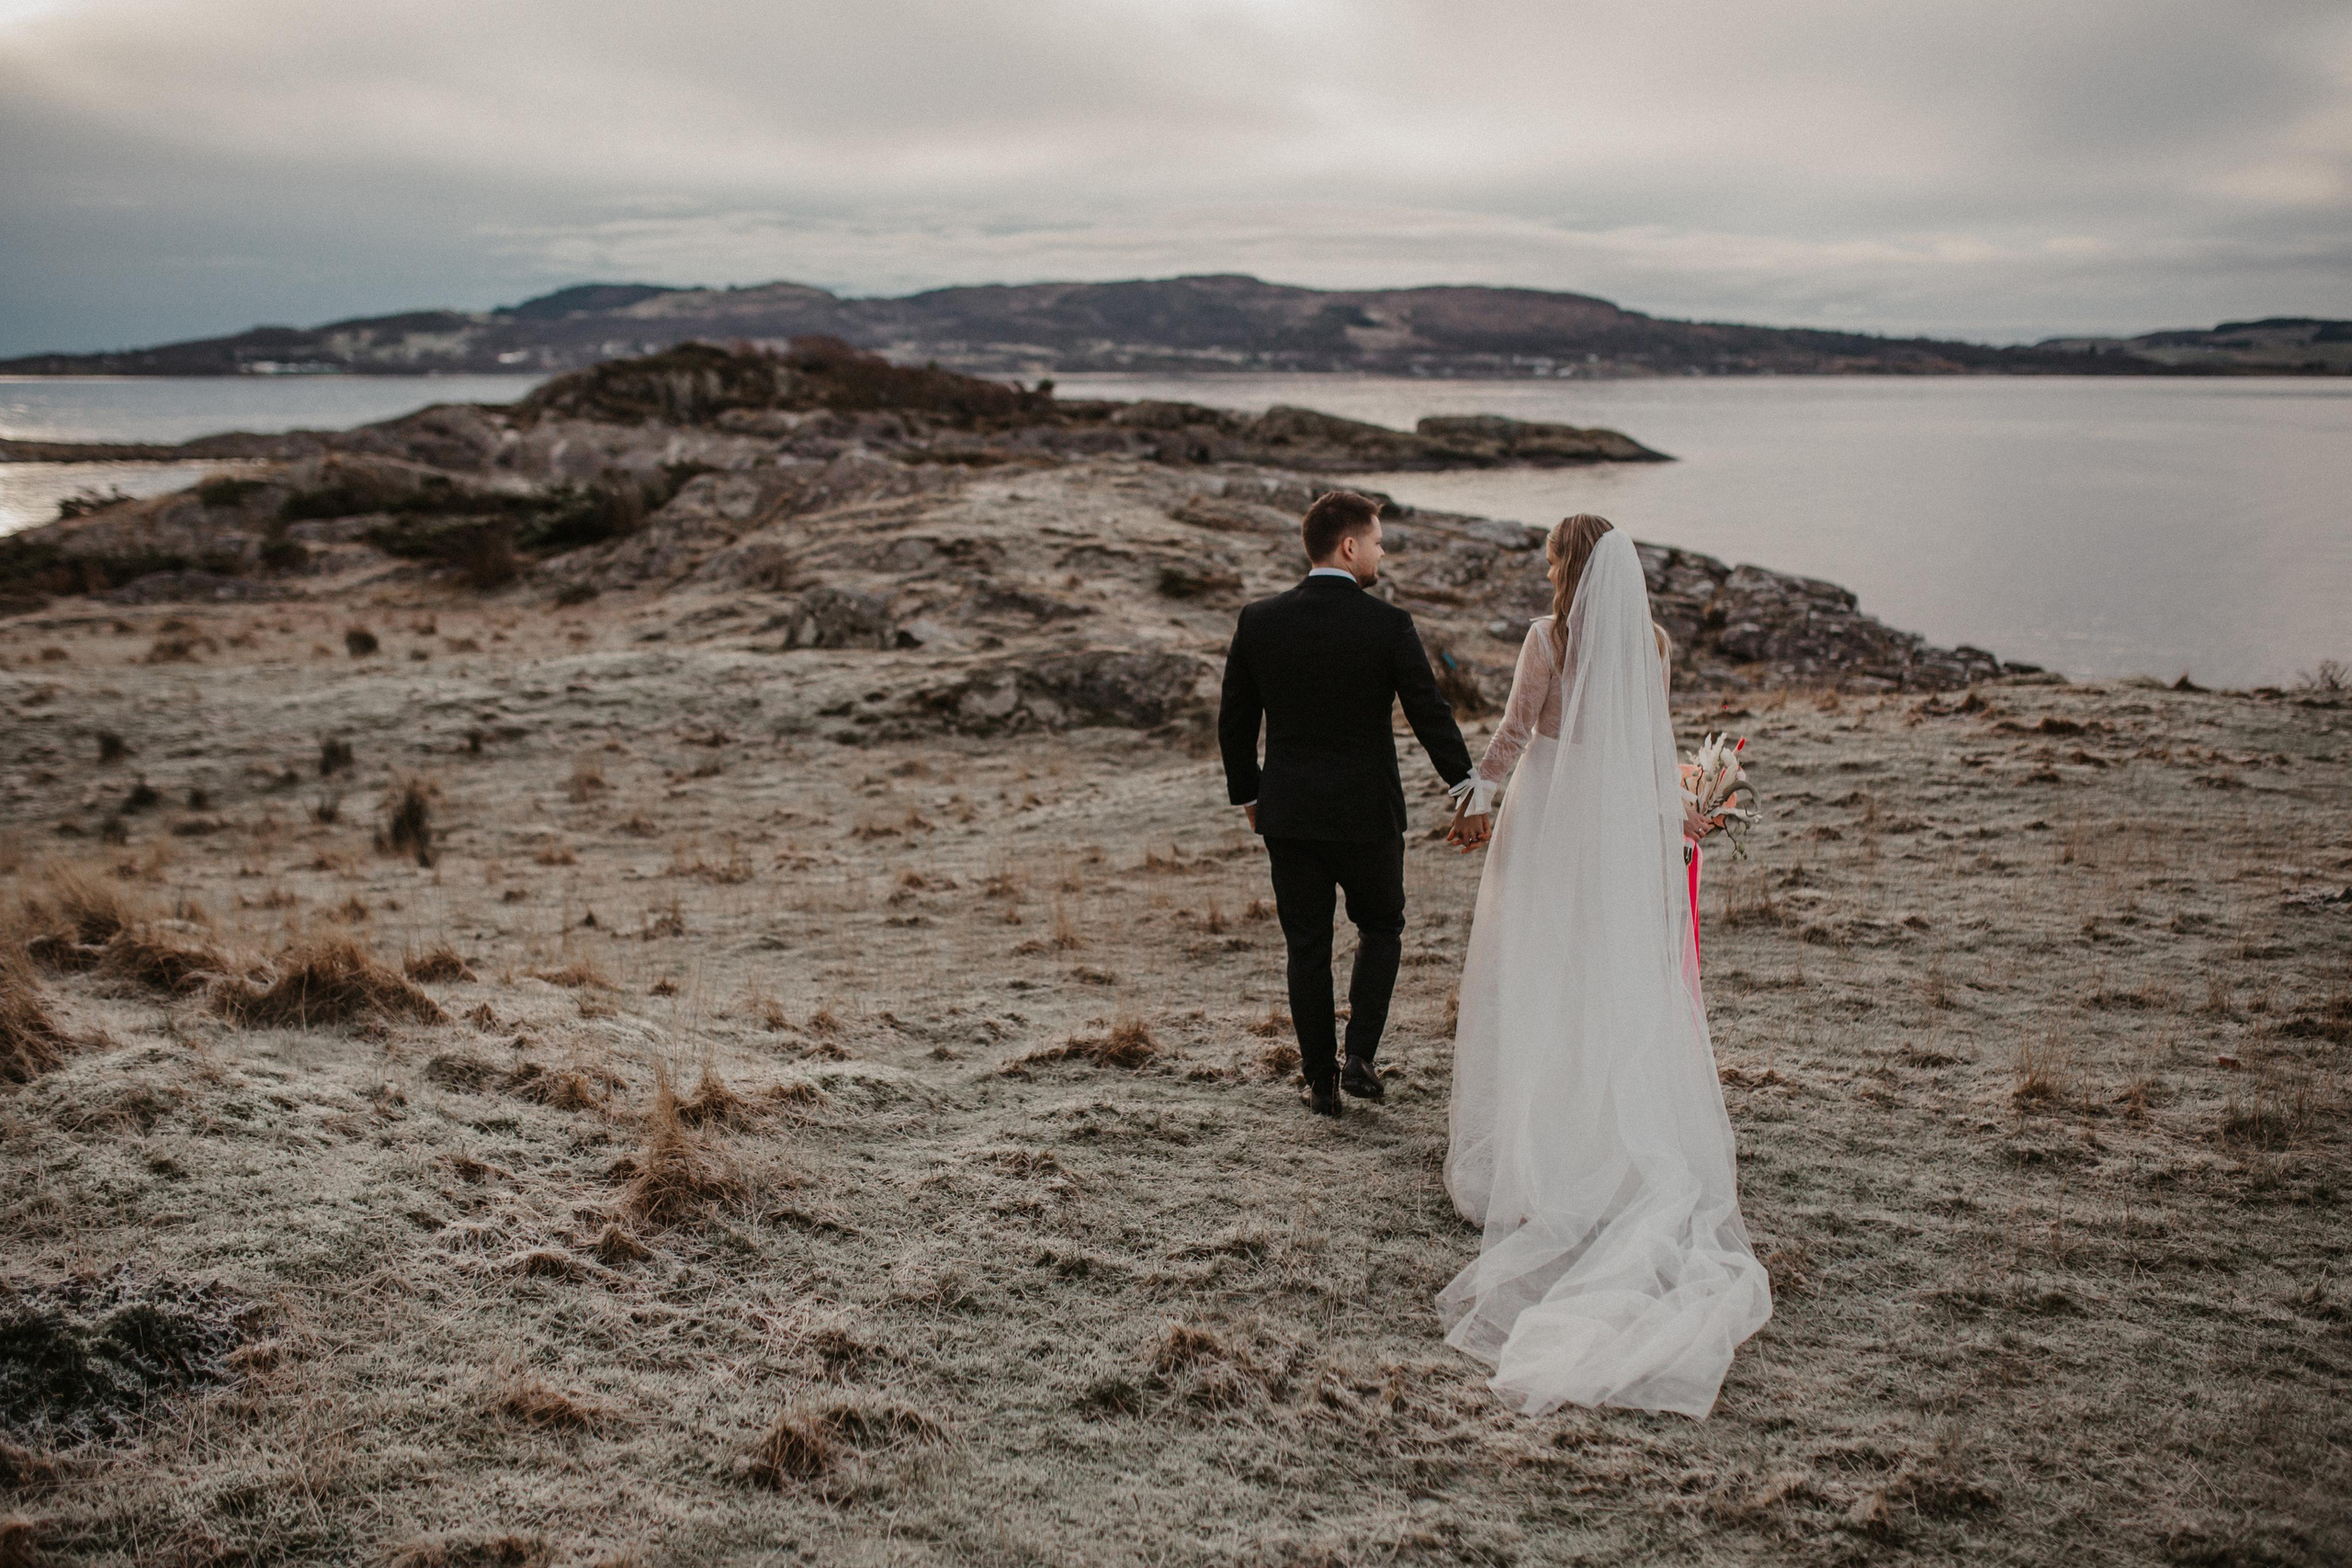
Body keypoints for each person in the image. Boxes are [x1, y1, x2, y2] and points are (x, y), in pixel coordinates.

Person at [1437, 513, 1770, 1418]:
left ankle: (1542, 1142)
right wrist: (1672, 814)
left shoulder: (1548, 636)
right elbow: (1644, 738)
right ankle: (1606, 1138)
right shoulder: (1652, 642)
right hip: (1615, 818)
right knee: (1600, 970)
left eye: (1550, 555)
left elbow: (1513, 733)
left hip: (1548, 813)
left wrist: (1473, 794)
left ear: (1564, 565)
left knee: (1542, 967)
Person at [1217, 490, 1476, 1117]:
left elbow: (1234, 721)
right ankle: (1359, 1056)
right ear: (1350, 545)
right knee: (1381, 926)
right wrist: (1467, 788)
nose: (1382, 551)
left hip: (1291, 813)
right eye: (1379, 541)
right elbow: (1429, 714)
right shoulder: (1388, 624)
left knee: (1306, 944)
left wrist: (1251, 794)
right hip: (1368, 814)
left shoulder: (1260, 619)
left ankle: (1319, 1081)